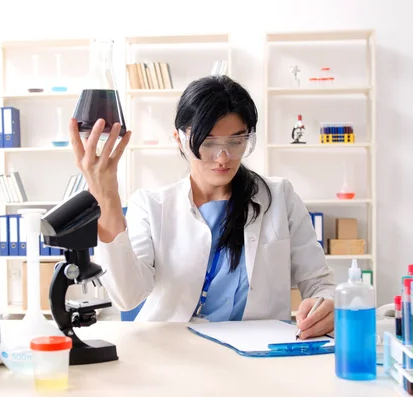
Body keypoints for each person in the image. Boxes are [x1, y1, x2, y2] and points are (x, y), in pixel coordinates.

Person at [68, 75, 335, 339]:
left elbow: (320, 282)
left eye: (236, 141)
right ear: (180, 140)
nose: (223, 157)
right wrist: (108, 197)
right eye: (208, 143)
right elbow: (126, 296)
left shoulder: (280, 197)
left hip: (257, 351)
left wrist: (326, 305)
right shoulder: (151, 205)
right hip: (172, 351)